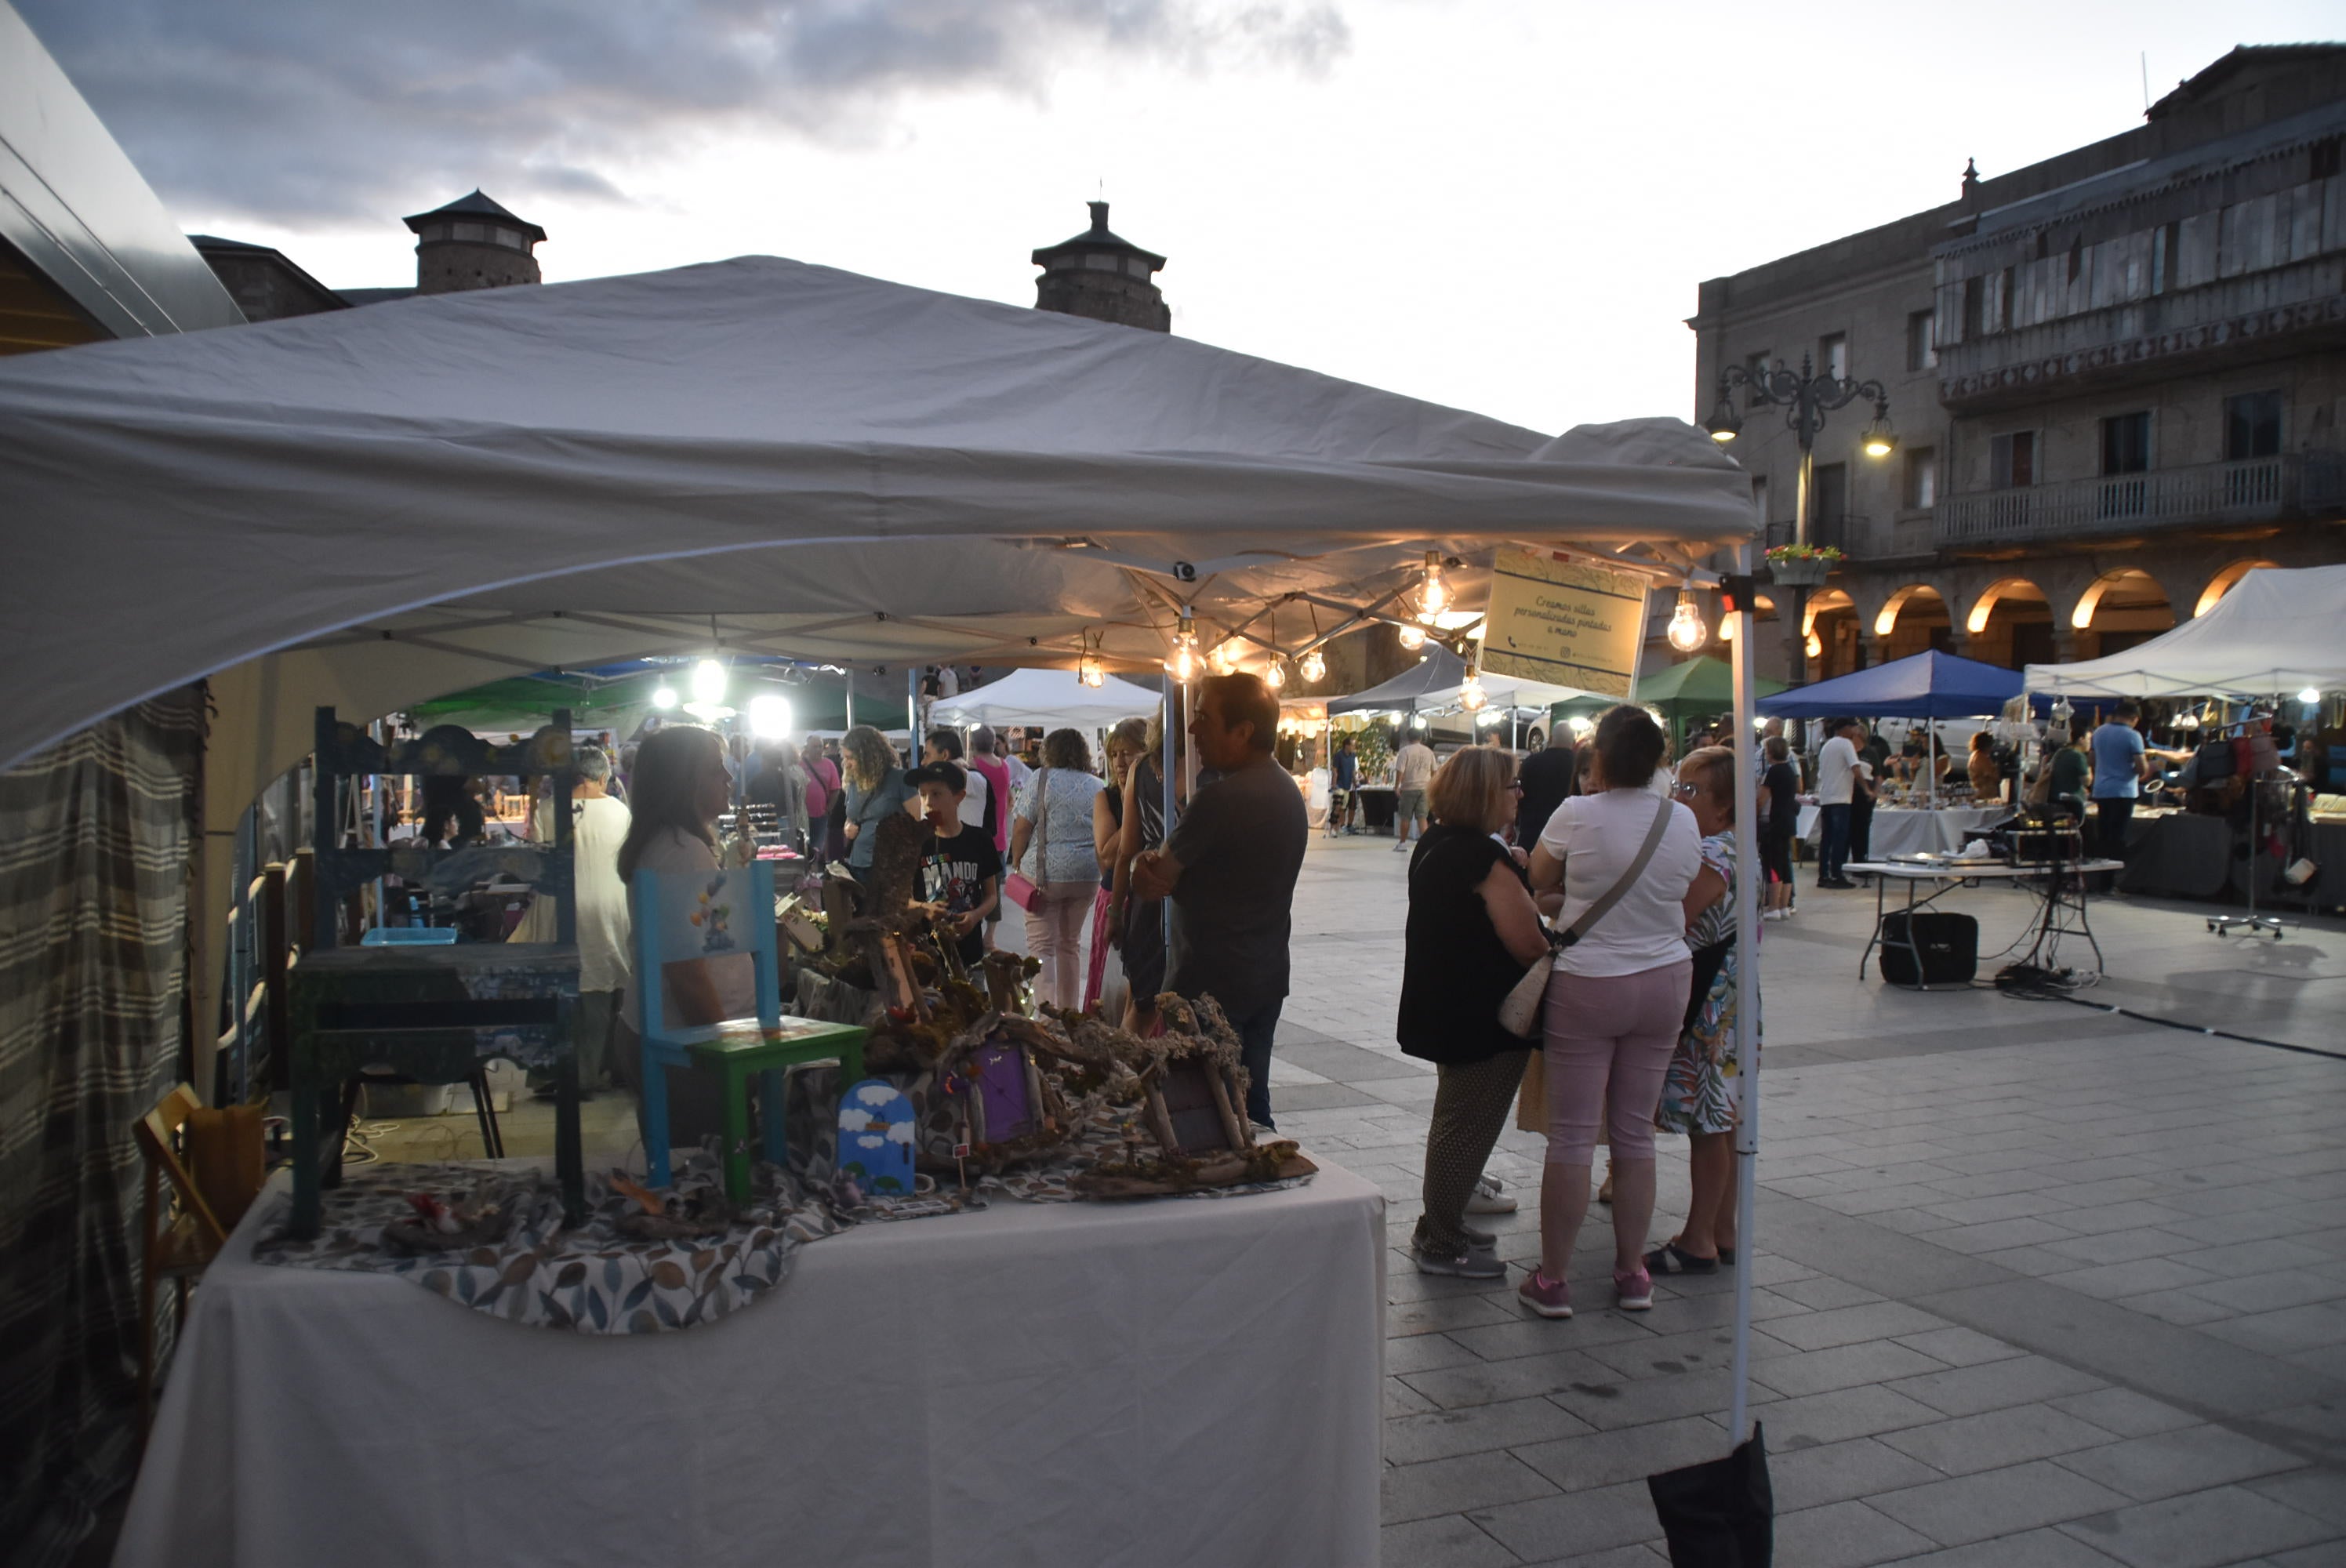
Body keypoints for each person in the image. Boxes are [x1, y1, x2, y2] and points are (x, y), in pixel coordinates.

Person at [1520, 704, 1701, 1319]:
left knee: (1572, 1137)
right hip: (1665, 980)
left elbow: (1538, 877)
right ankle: (1631, 1273)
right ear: (1658, 760)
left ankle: (1554, 1280)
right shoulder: (1683, 820)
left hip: (1590, 981)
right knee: (1635, 1135)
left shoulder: (1577, 813)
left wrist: (1575, 893)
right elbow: (1676, 889)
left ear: (1598, 760)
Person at [1131, 674, 1308, 1129]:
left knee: (1204, 1115)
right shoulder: (1287, 791)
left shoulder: (1219, 800)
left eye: (1205, 718)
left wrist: (1139, 866)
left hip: (1208, 985)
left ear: (1243, 731)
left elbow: (1155, 879)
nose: (1193, 730)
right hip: (1264, 975)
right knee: (1253, 1105)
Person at [1398, 748, 1547, 1277]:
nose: (1519, 793)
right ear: (1486, 792)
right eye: (1512, 784)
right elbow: (1528, 944)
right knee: (1466, 1127)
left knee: (1455, 1120)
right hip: (1481, 1016)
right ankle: (1439, 1239)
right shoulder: (1483, 858)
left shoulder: (1438, 843)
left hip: (1445, 1006)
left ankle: (1446, 1223)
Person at [612, 724, 747, 1151]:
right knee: (701, 1171)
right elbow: (686, 972)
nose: (728, 777)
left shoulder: (676, 844)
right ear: (684, 781)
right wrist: (726, 1054)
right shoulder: (680, 850)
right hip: (686, 1043)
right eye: (715, 769)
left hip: (671, 1034)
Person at [1650, 746, 1753, 1276]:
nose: (1678, 797)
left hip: (1710, 1003)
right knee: (1725, 1121)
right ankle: (1722, 1227)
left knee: (1708, 1126)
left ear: (1724, 805)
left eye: (1691, 790)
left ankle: (1698, 1240)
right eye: (1678, 785)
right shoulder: (1744, 847)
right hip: (1734, 997)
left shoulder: (1714, 853)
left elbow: (1679, 916)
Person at [512, 745, 630, 1094]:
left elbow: (536, 861)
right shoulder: (620, 812)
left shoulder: (549, 810)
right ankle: (601, 1071)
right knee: (605, 985)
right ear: (604, 778)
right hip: (609, 911)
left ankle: (559, 1074)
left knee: (566, 989)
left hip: (561, 911)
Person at [1009, 729, 1106, 1009]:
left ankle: (1047, 1013)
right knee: (1070, 944)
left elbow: (1022, 828)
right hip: (1086, 876)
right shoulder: (1096, 784)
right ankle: (1068, 1012)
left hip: (1044, 877)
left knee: (1042, 948)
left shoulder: (1040, 779)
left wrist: (1017, 861)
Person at [1114, 710, 1186, 1035]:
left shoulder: (1139, 769)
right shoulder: (1217, 771)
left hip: (1147, 900)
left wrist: (1116, 914)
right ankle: (1126, 1079)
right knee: (1159, 1006)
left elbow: (1126, 851)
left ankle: (1122, 1079)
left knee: (1142, 1004)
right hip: (1181, 897)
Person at [905, 760, 1000, 968]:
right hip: (926, 957)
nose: (928, 802)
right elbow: (901, 898)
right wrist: (924, 908)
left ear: (959, 797)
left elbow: (991, 895)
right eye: (923, 794)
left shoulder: (980, 839)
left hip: (970, 952)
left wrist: (975, 916)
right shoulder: (915, 842)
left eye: (937, 794)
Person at [1086, 718, 1149, 1012]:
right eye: (1114, 754)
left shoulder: (1158, 794)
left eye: (1128, 753)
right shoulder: (1106, 797)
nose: (1119, 762)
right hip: (1115, 898)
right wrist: (1132, 806)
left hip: (1148, 898)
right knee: (1111, 987)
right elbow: (1109, 853)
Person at [840, 724, 913, 873]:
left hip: (890, 865)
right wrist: (847, 828)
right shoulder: (854, 782)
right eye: (845, 758)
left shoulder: (900, 779)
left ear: (867, 756)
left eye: (851, 758)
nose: (847, 764)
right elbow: (850, 817)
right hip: (858, 863)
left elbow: (917, 821)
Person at [967, 726, 1015, 949]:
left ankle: (975, 932)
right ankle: (991, 936)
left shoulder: (974, 767)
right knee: (993, 890)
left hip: (979, 834)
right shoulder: (1004, 765)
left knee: (973, 888)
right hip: (999, 837)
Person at [2090, 701, 2149, 860]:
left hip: (2102, 790)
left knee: (2104, 834)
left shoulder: (2099, 732)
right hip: (2123, 792)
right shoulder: (2133, 735)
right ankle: (2111, 879)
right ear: (2134, 718)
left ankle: (2100, 876)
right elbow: (2142, 768)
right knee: (2117, 836)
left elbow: (2092, 760)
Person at [1814, 717, 1863, 889]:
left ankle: (1823, 875)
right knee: (1839, 838)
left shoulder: (1827, 746)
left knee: (1826, 839)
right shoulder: (1845, 744)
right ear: (1844, 728)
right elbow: (1856, 768)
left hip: (1827, 797)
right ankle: (1837, 874)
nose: (1855, 731)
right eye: (1853, 727)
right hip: (1841, 798)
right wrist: (1867, 788)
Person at [1516, 724, 1578, 849]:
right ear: (1573, 741)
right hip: (1566, 837)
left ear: (1550, 738)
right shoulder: (1579, 766)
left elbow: (1518, 796)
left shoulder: (1530, 762)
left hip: (1531, 834)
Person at [1758, 735, 1799, 920]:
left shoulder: (1773, 772)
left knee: (1772, 865)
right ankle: (1784, 905)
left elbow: (1762, 799)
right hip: (1788, 821)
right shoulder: (1790, 771)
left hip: (1774, 822)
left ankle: (1773, 906)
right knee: (1784, 865)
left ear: (1771, 752)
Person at [923, 728, 990, 839]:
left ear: (945, 755)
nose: (923, 761)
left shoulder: (975, 779)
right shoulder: (932, 783)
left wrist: (955, 763)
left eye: (927, 755)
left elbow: (959, 775)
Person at [1392, 729, 1437, 852]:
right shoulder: (1429, 752)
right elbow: (1434, 771)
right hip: (1425, 788)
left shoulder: (1405, 751)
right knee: (1422, 817)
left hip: (1409, 788)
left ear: (1408, 738)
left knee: (1405, 817)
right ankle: (1427, 845)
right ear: (1421, 738)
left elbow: (1400, 770)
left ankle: (1402, 844)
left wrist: (1397, 786)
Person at [800, 736, 840, 860]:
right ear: (807, 748)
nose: (818, 750)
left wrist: (828, 810)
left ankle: (816, 875)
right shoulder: (800, 764)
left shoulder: (829, 764)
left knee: (817, 850)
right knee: (804, 849)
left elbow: (836, 789)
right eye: (814, 747)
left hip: (820, 815)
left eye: (820, 747)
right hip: (803, 816)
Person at [2045, 727, 2090, 819]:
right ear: (2081, 740)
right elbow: (2087, 781)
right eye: (2089, 739)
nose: (2090, 743)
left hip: (2054, 798)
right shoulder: (2078, 756)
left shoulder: (2061, 752)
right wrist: (2089, 765)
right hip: (2073, 802)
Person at [1326, 734, 1360, 838]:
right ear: (1347, 746)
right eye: (1352, 745)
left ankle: (1339, 827)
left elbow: (1353, 770)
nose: (1353, 747)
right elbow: (1335, 770)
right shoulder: (1338, 755)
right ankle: (1332, 829)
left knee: (1343, 808)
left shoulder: (1353, 756)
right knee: (1337, 806)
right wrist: (1334, 784)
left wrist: (1355, 781)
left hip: (1347, 785)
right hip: (1339, 784)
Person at [1967, 731, 2003, 801]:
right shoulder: (1982, 758)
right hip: (1985, 794)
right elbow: (1994, 776)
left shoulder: (1974, 755)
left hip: (1978, 791)